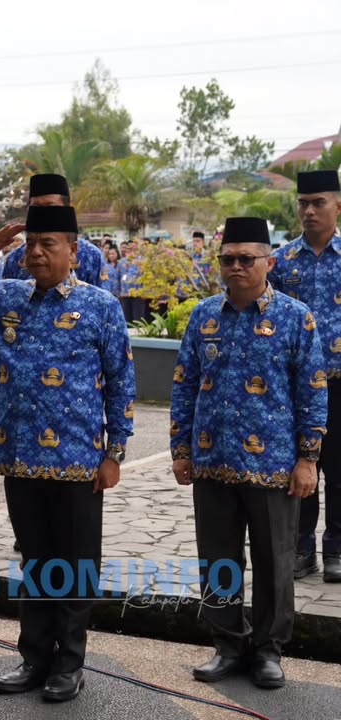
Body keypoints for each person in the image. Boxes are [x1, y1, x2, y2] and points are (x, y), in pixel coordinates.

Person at [0, 206, 135, 703]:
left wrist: (115, 453)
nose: (37, 252)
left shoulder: (100, 306)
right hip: (19, 456)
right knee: (36, 561)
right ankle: (35, 656)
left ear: (73, 250)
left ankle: (69, 663)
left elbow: (122, 382)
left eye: (48, 244)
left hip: (78, 460)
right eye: (30, 243)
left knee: (78, 562)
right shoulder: (3, 297)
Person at [172, 216, 326, 689]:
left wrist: (308, 458)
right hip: (212, 461)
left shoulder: (295, 317)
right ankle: (227, 645)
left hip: (274, 466)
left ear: (269, 262)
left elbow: (313, 391)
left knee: (276, 561)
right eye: (227, 259)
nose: (235, 266)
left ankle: (268, 650)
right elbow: (184, 384)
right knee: (218, 559)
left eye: (246, 258)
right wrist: (180, 449)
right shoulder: (204, 316)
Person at [268, 169, 341, 583]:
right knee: (300, 467)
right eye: (303, 203)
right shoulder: (283, 262)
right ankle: (301, 549)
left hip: (340, 384)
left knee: (340, 471)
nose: (310, 211)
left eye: (319, 203)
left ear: (337, 206)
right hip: (295, 387)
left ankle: (336, 550)